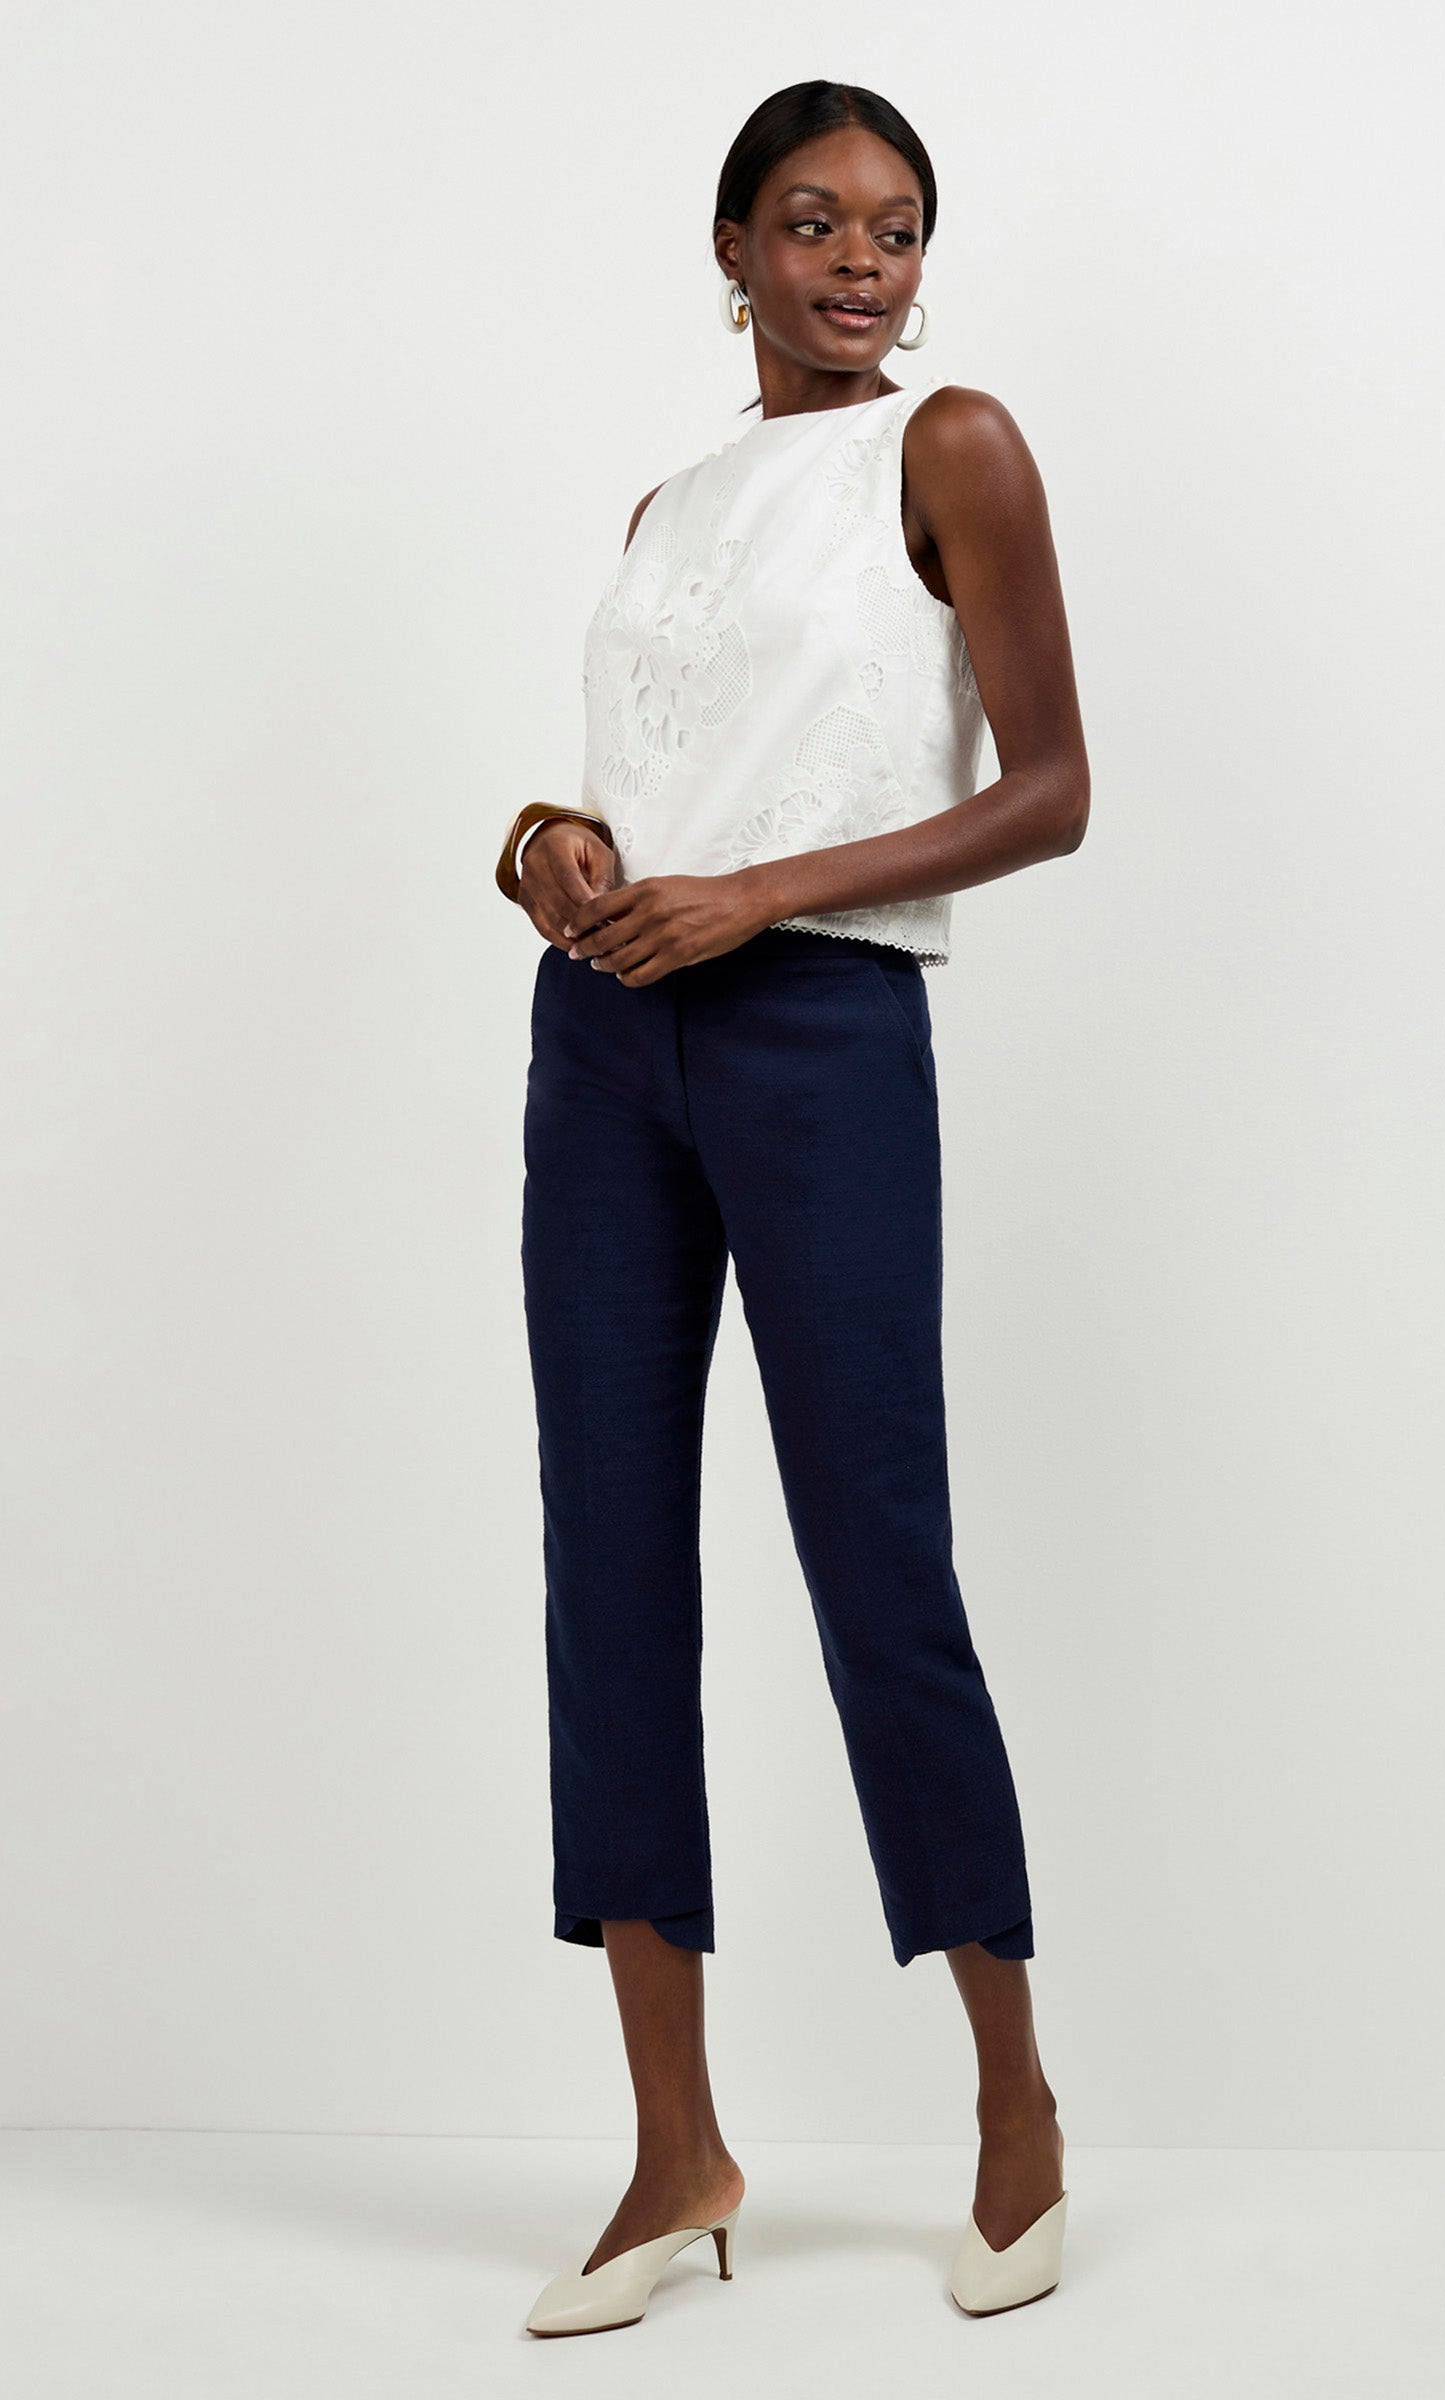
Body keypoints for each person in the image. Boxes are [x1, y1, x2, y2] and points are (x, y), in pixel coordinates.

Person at [499, 79, 1091, 2337]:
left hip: (822, 1038)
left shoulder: (952, 450)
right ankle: (675, 2153)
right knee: (612, 1574)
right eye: (820, 225)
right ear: (732, 246)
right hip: (603, 1049)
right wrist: (567, 849)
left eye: (903, 229)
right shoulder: (669, 502)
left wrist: (760, 895)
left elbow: (1048, 790)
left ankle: (1015, 2106)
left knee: (876, 1556)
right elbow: (654, 783)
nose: (868, 265)